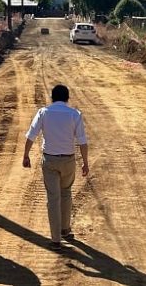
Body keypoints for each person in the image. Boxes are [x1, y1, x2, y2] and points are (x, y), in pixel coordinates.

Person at [23, 84, 89, 251]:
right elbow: (82, 140)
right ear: (67, 98)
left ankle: (56, 239)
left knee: (53, 198)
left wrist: (26, 154)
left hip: (50, 160)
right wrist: (85, 163)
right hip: (68, 160)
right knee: (66, 192)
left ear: (52, 97)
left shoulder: (43, 113)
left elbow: (32, 135)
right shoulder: (75, 114)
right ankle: (65, 229)